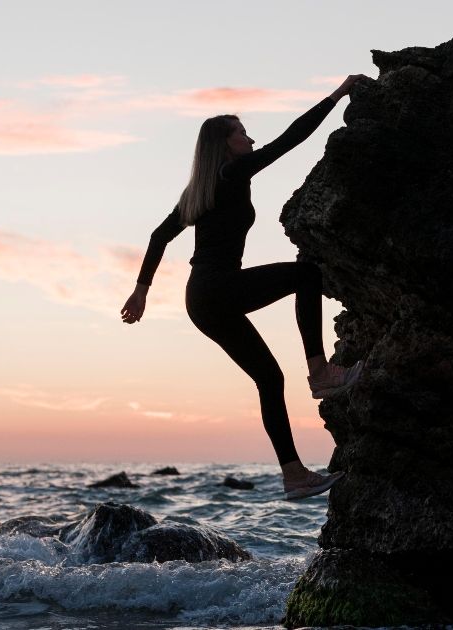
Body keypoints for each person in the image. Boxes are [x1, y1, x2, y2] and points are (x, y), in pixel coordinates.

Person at [120, 74, 372, 500]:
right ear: (226, 144)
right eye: (242, 133)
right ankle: (321, 372)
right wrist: (337, 94)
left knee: (270, 379)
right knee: (306, 274)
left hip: (202, 300)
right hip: (218, 290)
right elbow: (290, 139)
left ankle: (294, 476)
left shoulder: (201, 190)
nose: (251, 139)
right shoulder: (233, 174)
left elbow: (159, 236)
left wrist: (141, 290)